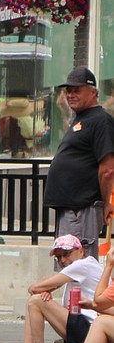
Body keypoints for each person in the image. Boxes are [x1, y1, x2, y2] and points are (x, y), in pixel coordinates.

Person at [0, 234, 106, 343]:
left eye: (67, 254)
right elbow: (40, 285)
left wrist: (45, 289)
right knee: (34, 300)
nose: (63, 260)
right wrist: (47, 289)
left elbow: (34, 287)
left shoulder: (82, 265)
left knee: (36, 301)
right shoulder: (81, 267)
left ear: (81, 251)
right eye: (59, 257)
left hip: (91, 329)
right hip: (85, 327)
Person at [43, 66, 114, 256]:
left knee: (77, 268)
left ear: (93, 92)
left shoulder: (101, 120)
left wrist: (106, 202)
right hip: (69, 210)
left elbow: (107, 169)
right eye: (69, 90)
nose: (71, 95)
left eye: (77, 90)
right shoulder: (81, 119)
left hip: (82, 210)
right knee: (66, 267)